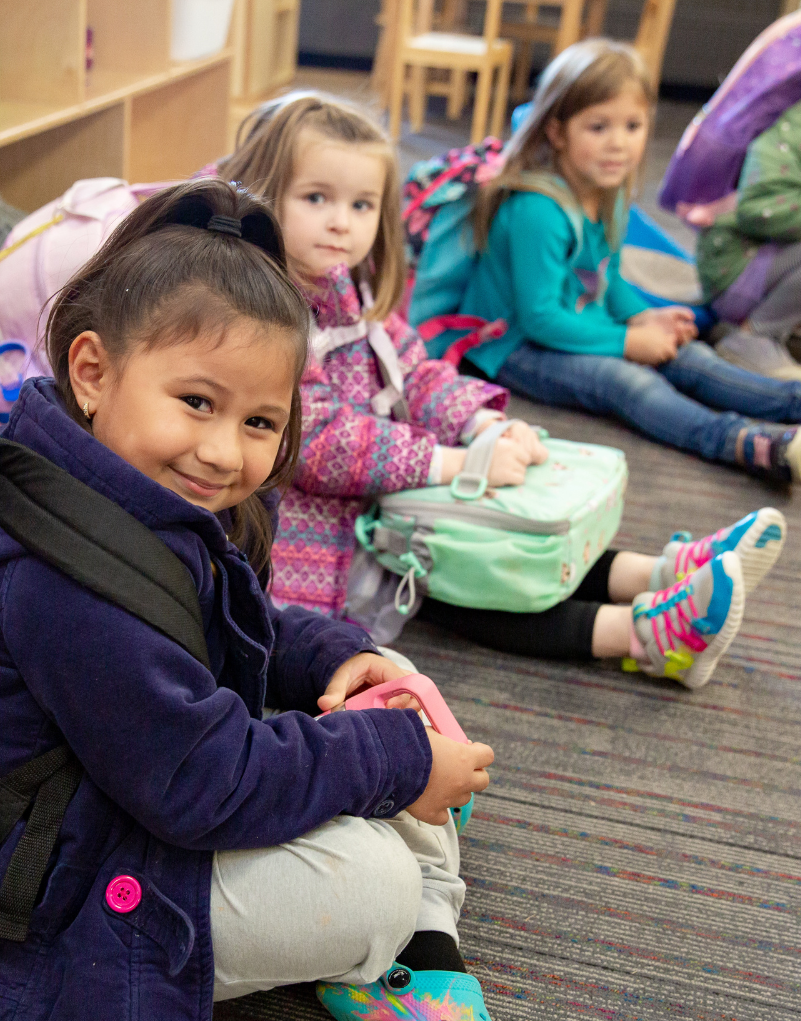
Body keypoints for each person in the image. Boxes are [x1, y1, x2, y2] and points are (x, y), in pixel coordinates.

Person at [0, 179, 552, 1021]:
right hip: (71, 877)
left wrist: (346, 659)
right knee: (374, 874)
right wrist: (395, 764)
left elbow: (231, 625)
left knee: (391, 684)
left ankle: (416, 951)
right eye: (197, 402)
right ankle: (397, 937)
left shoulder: (123, 488)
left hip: (136, 787)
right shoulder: (61, 575)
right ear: (94, 371)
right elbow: (202, 783)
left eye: (260, 421)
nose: (226, 451)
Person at [218, 93, 783, 685]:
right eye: (316, 198)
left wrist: (477, 423)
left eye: (362, 205)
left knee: (504, 540)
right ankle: (647, 636)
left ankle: (662, 573)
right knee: (478, 579)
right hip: (320, 543)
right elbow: (320, 444)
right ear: (264, 193)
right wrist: (453, 463)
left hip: (382, 502)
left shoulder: (344, 285)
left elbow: (415, 368)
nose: (342, 221)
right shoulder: (268, 314)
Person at [447, 39, 801, 485]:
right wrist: (629, 342)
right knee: (629, 382)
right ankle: (744, 442)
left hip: (576, 324)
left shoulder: (609, 194)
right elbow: (539, 318)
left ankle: (792, 401)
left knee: (692, 358)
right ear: (557, 132)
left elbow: (605, 279)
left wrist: (644, 317)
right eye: (598, 127)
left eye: (632, 126)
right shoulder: (538, 209)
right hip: (514, 346)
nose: (618, 144)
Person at [696, 98, 801, 379]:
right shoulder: (790, 130)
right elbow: (759, 211)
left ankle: (782, 331)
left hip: (773, 263)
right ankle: (752, 336)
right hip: (737, 271)